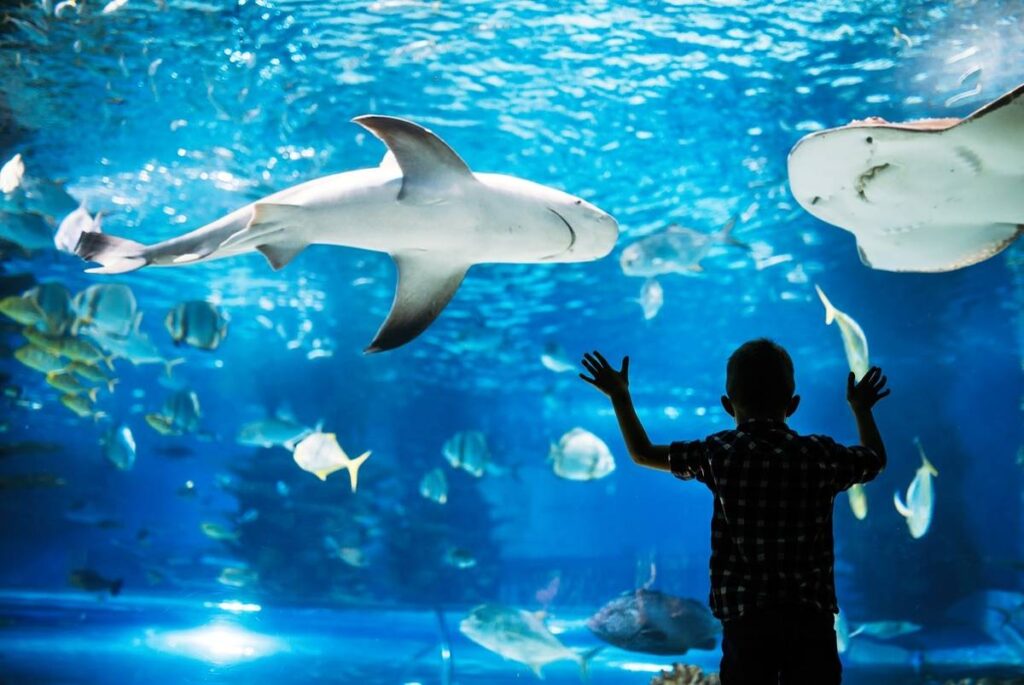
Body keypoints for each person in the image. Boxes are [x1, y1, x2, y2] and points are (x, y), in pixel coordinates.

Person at [579, 339, 889, 685]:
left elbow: (642, 452)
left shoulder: (720, 453)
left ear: (728, 405)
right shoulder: (820, 455)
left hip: (746, 621)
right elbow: (874, 460)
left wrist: (619, 395)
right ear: (793, 404)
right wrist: (862, 408)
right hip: (809, 620)